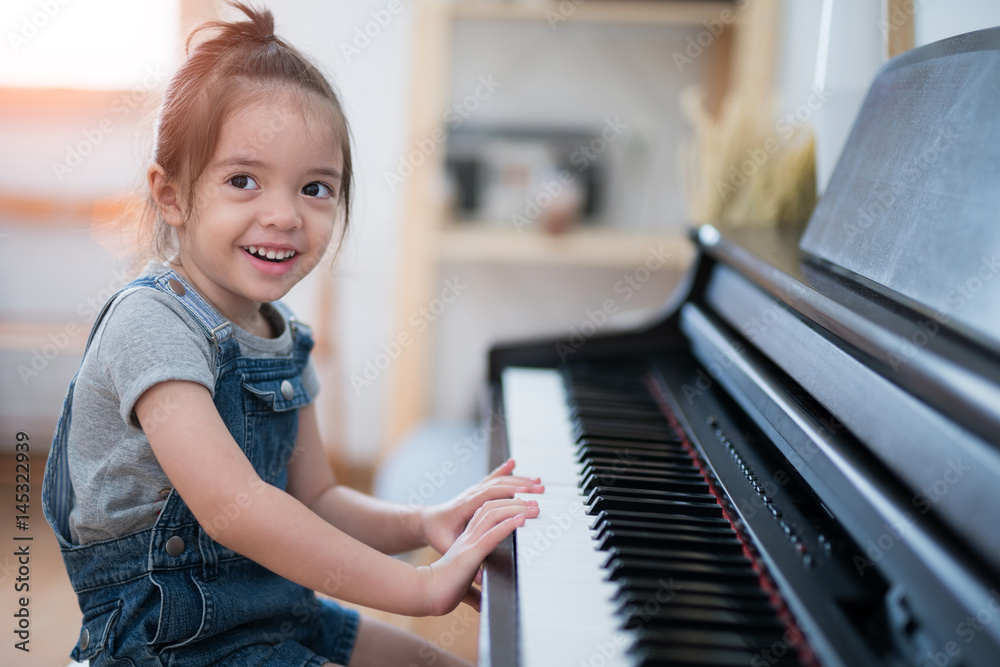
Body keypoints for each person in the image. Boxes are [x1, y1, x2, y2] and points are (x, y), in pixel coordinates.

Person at [41, 3, 543, 666]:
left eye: (315, 187)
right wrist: (418, 588)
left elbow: (318, 499)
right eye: (243, 180)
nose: (283, 215)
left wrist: (424, 524)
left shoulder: (282, 339)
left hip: (270, 605)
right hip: (170, 638)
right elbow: (235, 509)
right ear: (173, 196)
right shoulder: (149, 325)